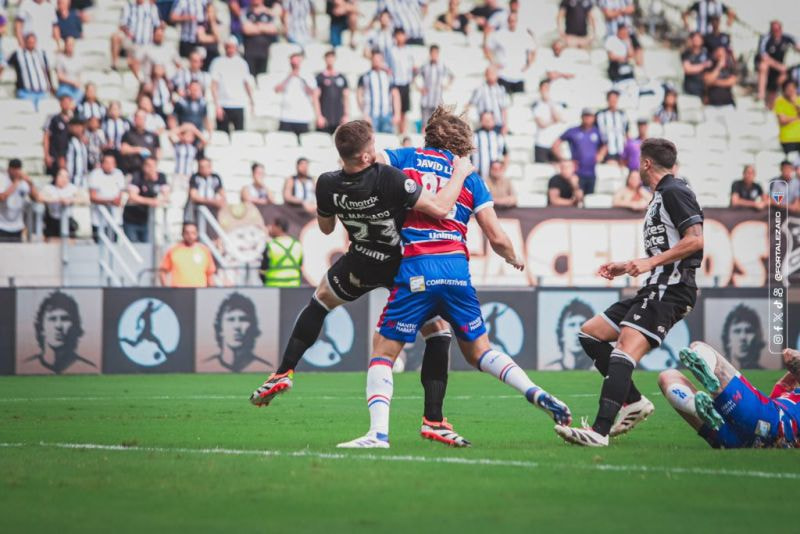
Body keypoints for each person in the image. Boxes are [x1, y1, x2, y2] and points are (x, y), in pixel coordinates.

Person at [336, 113, 572, 449]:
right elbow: (496, 236)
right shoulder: (471, 178)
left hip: (417, 268)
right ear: (462, 142)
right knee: (480, 350)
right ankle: (533, 391)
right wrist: (514, 257)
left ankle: (378, 434)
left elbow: (370, 159)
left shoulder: (407, 157)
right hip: (457, 272)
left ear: (430, 135)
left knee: (383, 353)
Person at [250, 115, 483, 448]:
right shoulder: (388, 177)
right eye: (372, 144)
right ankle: (434, 417)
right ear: (364, 155)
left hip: (360, 259)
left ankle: (284, 371)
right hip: (400, 264)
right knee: (439, 332)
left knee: (320, 301)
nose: (377, 148)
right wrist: (460, 172)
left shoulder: (326, 183)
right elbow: (440, 208)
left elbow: (328, 229)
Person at [555, 138, 704, 447]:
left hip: (671, 288)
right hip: (655, 285)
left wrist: (649, 262)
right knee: (590, 334)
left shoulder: (675, 190)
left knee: (624, 349)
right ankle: (633, 402)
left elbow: (695, 240)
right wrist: (628, 265)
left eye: (639, 160)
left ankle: (599, 431)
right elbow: (668, 245)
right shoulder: (660, 196)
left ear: (646, 163)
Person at [660, 342, 799, 448]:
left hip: (770, 422)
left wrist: (795, 361)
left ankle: (703, 403)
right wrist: (794, 366)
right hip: (738, 441)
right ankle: (698, 408)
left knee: (698, 347)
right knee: (667, 377)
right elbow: (786, 383)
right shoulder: (789, 395)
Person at [27, 291, 93, 374]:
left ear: (75, 325)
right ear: (41, 327)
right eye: (52, 319)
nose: (58, 326)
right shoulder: (26, 365)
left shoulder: (88, 367)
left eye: (65, 319)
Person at [206, 292, 270, 372]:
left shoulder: (265, 367)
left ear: (253, 327)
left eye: (243, 319)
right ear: (220, 328)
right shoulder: (206, 364)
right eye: (231, 319)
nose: (237, 326)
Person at [553, 108, 604, 194]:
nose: (588, 118)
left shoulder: (597, 132)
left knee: (590, 200)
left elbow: (604, 145)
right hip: (577, 172)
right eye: (586, 116)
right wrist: (563, 159)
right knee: (577, 197)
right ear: (582, 117)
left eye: (590, 116)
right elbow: (556, 144)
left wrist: (600, 154)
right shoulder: (573, 131)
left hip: (591, 172)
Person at [483, 12, 535, 95]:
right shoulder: (499, 35)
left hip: (519, 75)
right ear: (507, 21)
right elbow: (486, 48)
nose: (512, 23)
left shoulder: (524, 35)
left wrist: (529, 64)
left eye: (514, 21)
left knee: (519, 102)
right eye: (510, 21)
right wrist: (493, 63)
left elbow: (533, 50)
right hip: (503, 74)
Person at [210, 37, 255, 133]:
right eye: (228, 47)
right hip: (223, 104)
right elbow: (214, 86)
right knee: (222, 134)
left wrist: (251, 100)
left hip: (238, 104)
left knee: (240, 135)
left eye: (232, 47)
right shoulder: (218, 62)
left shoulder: (242, 63)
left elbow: (246, 84)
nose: (230, 49)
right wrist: (217, 105)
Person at [123, 156, 170, 242]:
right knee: (134, 246)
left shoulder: (161, 177)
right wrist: (151, 201)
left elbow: (166, 196)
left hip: (147, 220)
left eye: (152, 165)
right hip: (132, 219)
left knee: (147, 246)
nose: (150, 168)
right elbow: (133, 197)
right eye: (147, 165)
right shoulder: (137, 176)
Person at [755, 21, 800, 108]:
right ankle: (761, 94)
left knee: (786, 78)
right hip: (770, 66)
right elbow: (763, 57)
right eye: (774, 30)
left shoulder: (787, 38)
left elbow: (797, 46)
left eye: (778, 29)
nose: (776, 31)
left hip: (780, 68)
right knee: (763, 66)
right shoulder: (766, 38)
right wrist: (778, 66)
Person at [276, 52, 319, 139]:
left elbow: (312, 92)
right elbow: (277, 89)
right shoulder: (284, 74)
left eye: (297, 61)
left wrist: (301, 77)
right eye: (293, 61)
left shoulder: (308, 76)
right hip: (286, 117)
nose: (295, 64)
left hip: (302, 117)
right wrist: (290, 76)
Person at [159, 222, 216, 287]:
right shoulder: (174, 250)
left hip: (199, 291)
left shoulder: (204, 251)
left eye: (193, 233)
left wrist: (211, 291)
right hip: (179, 292)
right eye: (187, 233)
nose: (190, 236)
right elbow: (162, 271)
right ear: (182, 234)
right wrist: (166, 289)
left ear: (197, 234)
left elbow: (210, 274)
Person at [7, 33, 54, 112]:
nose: (31, 44)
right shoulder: (17, 54)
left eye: (33, 42)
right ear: (25, 42)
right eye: (29, 42)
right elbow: (5, 64)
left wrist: (51, 86)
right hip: (26, 92)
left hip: (43, 92)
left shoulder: (41, 53)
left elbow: (47, 70)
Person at [111, 0, 161, 71]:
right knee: (115, 36)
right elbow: (122, 24)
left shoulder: (152, 7)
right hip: (130, 40)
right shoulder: (128, 6)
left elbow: (157, 25)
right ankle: (114, 64)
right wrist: (128, 33)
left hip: (146, 43)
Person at [358, 50, 399, 134]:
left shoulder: (388, 76)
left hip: (387, 114)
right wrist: (364, 113)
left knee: (387, 142)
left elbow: (395, 95)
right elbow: (359, 95)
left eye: (378, 59)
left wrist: (397, 114)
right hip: (371, 115)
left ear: (382, 60)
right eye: (374, 59)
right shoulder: (365, 76)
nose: (376, 61)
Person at [88, 151, 125, 242]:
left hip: (115, 219)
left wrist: (116, 201)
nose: (109, 165)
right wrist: (110, 201)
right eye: (107, 162)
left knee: (114, 244)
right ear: (102, 164)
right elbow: (93, 197)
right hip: (98, 220)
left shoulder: (118, 174)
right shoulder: (95, 174)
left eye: (111, 163)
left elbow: (120, 195)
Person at [416, 44, 453, 130]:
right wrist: (419, 88)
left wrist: (446, 85)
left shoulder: (442, 66)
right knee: (425, 124)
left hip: (437, 99)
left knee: (436, 124)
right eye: (432, 53)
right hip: (426, 99)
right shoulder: (425, 66)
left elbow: (452, 76)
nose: (434, 55)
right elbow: (414, 77)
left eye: (436, 53)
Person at [0, 159, 37, 242]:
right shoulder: (2, 180)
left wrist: (30, 183)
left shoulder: (23, 183)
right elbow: (2, 197)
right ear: (9, 170)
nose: (16, 172)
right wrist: (15, 183)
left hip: (17, 226)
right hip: (2, 226)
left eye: (18, 169)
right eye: (14, 170)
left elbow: (36, 198)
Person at [386, 28, 415, 134]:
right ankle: (396, 132)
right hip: (395, 83)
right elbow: (388, 66)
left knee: (404, 111)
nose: (400, 37)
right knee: (395, 111)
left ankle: (403, 133)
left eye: (402, 35)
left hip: (406, 83)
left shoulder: (408, 50)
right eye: (398, 35)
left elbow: (411, 66)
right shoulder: (391, 51)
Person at [259, 217, 303, 287]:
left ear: (279, 227)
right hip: (294, 286)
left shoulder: (271, 245)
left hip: (273, 287)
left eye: (273, 226)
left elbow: (263, 269)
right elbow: (300, 265)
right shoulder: (297, 245)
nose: (271, 229)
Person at [315, 50, 350, 135]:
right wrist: (319, 116)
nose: (330, 60)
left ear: (335, 59)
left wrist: (346, 115)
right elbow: (315, 98)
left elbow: (346, 98)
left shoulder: (341, 77)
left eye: (332, 58)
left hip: (339, 117)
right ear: (325, 59)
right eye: (328, 58)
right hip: (325, 117)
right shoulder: (320, 77)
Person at [720, 304, 765, 369]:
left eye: (749, 331)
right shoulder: (718, 373)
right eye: (737, 331)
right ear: (727, 339)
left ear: (758, 338)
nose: (743, 337)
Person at [241, 0, 278, 76]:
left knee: (263, 78)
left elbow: (273, 29)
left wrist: (256, 26)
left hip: (265, 52)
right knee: (250, 77)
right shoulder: (245, 12)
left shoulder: (269, 13)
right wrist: (264, 27)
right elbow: (246, 29)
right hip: (249, 52)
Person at [40, 168, 79, 240]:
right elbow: (40, 198)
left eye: (66, 177)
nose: (64, 179)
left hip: (68, 220)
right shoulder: (49, 188)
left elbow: (85, 198)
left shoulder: (72, 188)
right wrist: (58, 200)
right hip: (53, 220)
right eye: (61, 176)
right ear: (56, 177)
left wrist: (71, 200)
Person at [532, 79, 566, 163]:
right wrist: (553, 120)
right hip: (541, 143)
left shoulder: (557, 104)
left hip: (554, 144)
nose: (545, 91)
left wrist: (550, 103)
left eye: (547, 88)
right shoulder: (536, 105)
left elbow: (558, 118)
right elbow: (542, 124)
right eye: (543, 89)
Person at [468, 66, 509, 134]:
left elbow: (504, 109)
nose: (491, 76)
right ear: (486, 75)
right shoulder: (480, 89)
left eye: (493, 73)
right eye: (490, 73)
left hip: (497, 124)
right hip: (483, 124)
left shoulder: (501, 90)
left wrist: (505, 125)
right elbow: (471, 104)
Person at [703, 46, 737, 127]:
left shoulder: (730, 67)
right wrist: (719, 66)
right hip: (712, 105)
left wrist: (715, 82)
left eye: (722, 54)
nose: (720, 56)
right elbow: (707, 81)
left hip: (727, 105)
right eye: (718, 53)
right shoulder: (710, 67)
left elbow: (731, 82)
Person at [119, 110, 160, 175]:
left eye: (142, 118)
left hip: (148, 173)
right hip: (132, 171)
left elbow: (158, 151)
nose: (139, 120)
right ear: (134, 119)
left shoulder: (152, 135)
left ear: (145, 119)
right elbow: (123, 150)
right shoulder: (128, 134)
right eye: (137, 117)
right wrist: (138, 150)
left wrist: (154, 165)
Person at [185, 157, 225, 223]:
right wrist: (212, 202)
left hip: (213, 210)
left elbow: (223, 195)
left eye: (205, 167)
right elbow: (194, 197)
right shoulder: (195, 177)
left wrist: (219, 202)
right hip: (198, 209)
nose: (203, 169)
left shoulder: (216, 177)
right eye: (201, 167)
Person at [43, 94, 75, 175]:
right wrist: (47, 155)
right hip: (55, 154)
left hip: (69, 155)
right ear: (60, 103)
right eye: (64, 102)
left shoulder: (74, 120)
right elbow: (46, 136)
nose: (66, 105)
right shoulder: (53, 118)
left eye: (68, 102)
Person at [596, 89, 628, 166]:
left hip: (621, 150)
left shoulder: (622, 114)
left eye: (615, 98)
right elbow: (596, 132)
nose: (613, 100)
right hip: (607, 150)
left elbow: (626, 131)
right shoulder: (600, 114)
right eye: (611, 98)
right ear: (607, 99)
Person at [472, 111, 507, 180]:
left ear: (493, 120)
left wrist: (503, 169)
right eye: (485, 119)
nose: (488, 121)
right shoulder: (475, 135)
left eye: (490, 119)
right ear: (481, 121)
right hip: (478, 176)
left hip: (495, 177)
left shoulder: (498, 136)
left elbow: (505, 154)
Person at [681, 31, 712, 98]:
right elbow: (688, 69)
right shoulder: (687, 54)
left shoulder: (706, 53)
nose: (696, 40)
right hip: (690, 89)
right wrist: (703, 65)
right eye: (694, 39)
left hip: (703, 90)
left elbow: (710, 68)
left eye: (698, 38)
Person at [775, 80, 800, 158]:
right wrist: (797, 117)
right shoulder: (780, 101)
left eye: (792, 88)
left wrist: (794, 103)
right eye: (788, 88)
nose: (791, 90)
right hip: (788, 139)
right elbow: (782, 120)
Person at [55, 36, 82, 101]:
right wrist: (73, 82)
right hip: (65, 87)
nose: (70, 46)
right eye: (69, 45)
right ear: (65, 45)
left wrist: (78, 82)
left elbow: (79, 75)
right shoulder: (60, 58)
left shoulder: (77, 58)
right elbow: (59, 76)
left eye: (72, 45)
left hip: (75, 88)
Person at [64, 117, 89, 187]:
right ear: (70, 127)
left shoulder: (82, 143)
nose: (79, 129)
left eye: (81, 126)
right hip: (71, 179)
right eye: (76, 126)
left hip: (83, 179)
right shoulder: (67, 141)